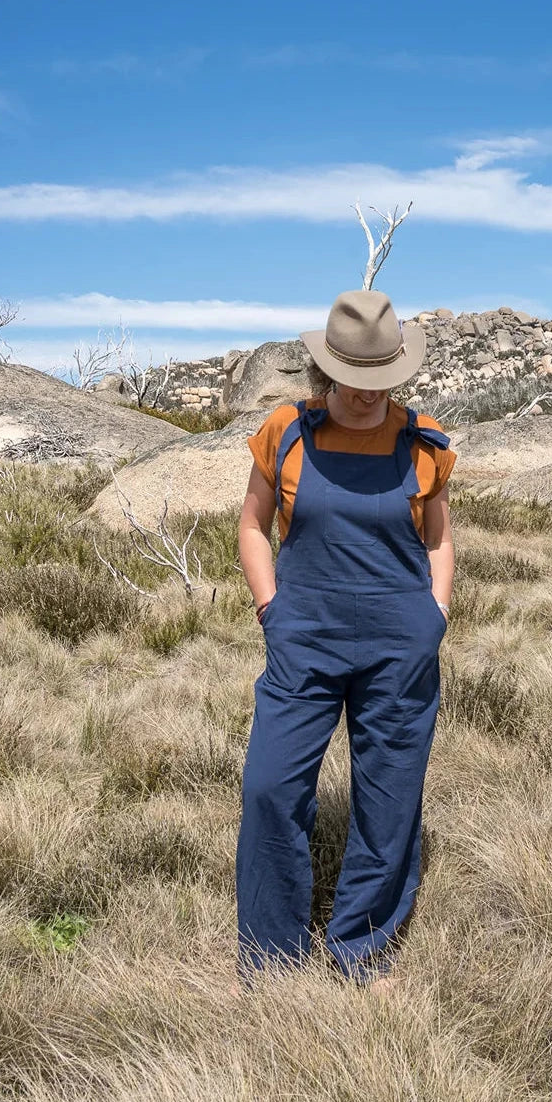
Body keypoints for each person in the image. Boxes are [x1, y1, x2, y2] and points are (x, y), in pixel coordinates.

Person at [234, 287, 456, 993]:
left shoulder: (423, 443)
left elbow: (440, 540)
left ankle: (362, 948)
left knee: (389, 798)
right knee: (270, 786)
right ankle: (270, 960)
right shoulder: (286, 432)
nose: (369, 396)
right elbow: (251, 526)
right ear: (327, 372)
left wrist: (434, 616)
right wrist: (272, 609)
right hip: (305, 635)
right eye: (356, 382)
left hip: (401, 642)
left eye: (382, 381)